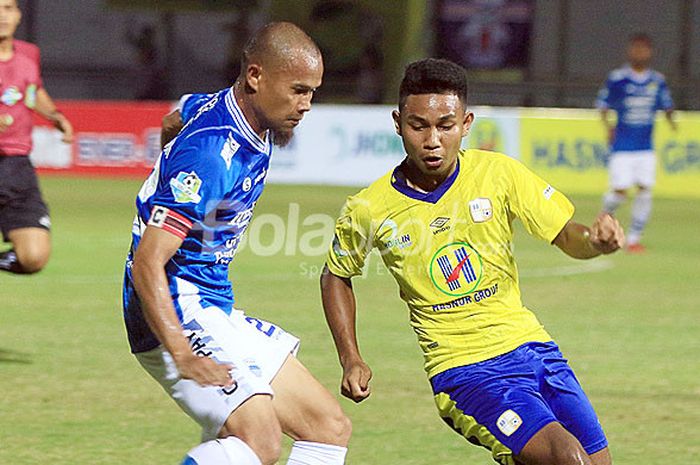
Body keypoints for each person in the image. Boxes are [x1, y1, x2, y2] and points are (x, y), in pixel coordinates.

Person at [320, 58, 625, 465]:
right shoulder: (370, 208)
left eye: (445, 126)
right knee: (567, 458)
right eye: (418, 125)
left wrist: (597, 242)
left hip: (534, 348)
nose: (432, 140)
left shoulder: (498, 173)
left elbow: (567, 234)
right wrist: (350, 357)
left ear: (466, 123)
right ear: (397, 122)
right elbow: (335, 275)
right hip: (464, 370)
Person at [123, 22, 351, 465]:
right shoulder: (212, 155)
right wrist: (182, 352)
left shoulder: (236, 116)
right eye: (298, 90)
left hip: (213, 306)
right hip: (174, 306)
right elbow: (148, 262)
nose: (306, 106)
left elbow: (176, 116)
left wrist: (167, 169)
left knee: (327, 427)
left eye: (312, 93)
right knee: (259, 441)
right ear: (255, 76)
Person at [0, 0, 73, 275]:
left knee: (33, 257)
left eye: (7, 8)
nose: (2, 16)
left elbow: (32, 91)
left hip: (17, 168)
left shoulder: (28, 54)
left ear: (18, 14)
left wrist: (55, 116)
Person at [596, 33, 675, 253]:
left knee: (645, 190)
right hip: (622, 145)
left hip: (645, 147)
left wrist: (671, 119)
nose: (639, 53)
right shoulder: (618, 78)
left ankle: (633, 238)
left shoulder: (657, 81)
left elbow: (666, 105)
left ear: (650, 52)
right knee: (620, 191)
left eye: (644, 49)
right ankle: (603, 218)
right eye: (636, 48)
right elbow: (603, 105)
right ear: (630, 51)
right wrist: (608, 127)